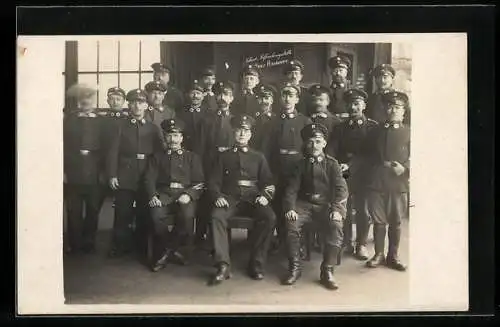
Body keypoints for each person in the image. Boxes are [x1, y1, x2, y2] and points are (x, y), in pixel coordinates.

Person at [207, 114, 276, 285]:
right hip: (230, 198)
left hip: (253, 198)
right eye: (238, 131)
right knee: (216, 216)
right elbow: (213, 182)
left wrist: (265, 196)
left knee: (270, 217)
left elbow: (268, 182)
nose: (242, 134)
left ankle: (256, 263)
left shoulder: (258, 157)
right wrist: (217, 196)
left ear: (250, 134)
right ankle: (223, 264)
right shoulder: (223, 156)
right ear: (233, 133)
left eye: (245, 131)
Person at [282, 123, 348, 290]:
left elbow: (341, 190)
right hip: (304, 204)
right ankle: (295, 268)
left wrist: (337, 210)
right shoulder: (300, 165)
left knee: (336, 225)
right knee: (291, 224)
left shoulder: (332, 165)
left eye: (318, 141)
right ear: (306, 144)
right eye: (310, 142)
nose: (314, 146)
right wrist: (290, 208)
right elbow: (291, 189)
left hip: (326, 205)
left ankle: (327, 270)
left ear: (324, 143)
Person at [106, 89, 164, 260]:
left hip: (146, 174)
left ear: (146, 105)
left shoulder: (153, 128)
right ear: (129, 105)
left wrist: (157, 177)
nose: (137, 106)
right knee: (122, 212)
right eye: (133, 102)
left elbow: (159, 153)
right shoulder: (120, 126)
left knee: (143, 211)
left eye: (140, 102)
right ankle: (119, 245)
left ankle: (140, 245)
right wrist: (112, 174)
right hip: (125, 174)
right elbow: (112, 152)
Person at [144, 118, 205, 271]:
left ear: (182, 138)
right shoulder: (157, 157)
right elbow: (149, 178)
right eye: (169, 135)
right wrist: (153, 196)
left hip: (184, 195)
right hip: (163, 195)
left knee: (187, 217)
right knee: (156, 216)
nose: (173, 139)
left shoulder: (192, 157)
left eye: (176, 135)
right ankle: (171, 251)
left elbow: (200, 182)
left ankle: (164, 253)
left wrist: (189, 194)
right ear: (165, 137)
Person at [327, 88, 378, 260]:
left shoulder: (371, 127)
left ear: (364, 105)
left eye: (357, 104)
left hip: (363, 173)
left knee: (363, 210)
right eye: (350, 104)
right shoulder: (341, 127)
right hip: (344, 173)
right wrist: (334, 164)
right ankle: (346, 241)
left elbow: (370, 154)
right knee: (345, 207)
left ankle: (361, 244)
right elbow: (332, 148)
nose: (353, 107)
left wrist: (349, 165)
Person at [262, 82, 312, 254]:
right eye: (284, 95)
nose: (287, 99)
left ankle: (299, 243)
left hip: (297, 169)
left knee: (296, 206)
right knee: (278, 204)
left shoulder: (305, 121)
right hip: (278, 169)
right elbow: (267, 149)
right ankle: (281, 239)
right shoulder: (273, 121)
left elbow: (309, 148)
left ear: (297, 99)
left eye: (291, 95)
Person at [364, 91, 410, 272]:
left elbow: (421, 156)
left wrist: (405, 168)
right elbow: (365, 155)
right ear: (385, 109)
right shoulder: (375, 131)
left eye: (397, 107)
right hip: (376, 181)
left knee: (396, 221)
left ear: (403, 112)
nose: (393, 110)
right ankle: (378, 254)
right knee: (379, 221)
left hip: (397, 182)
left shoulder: (409, 132)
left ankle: (393, 255)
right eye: (390, 107)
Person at [195, 80, 238, 243]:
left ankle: (221, 240)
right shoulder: (205, 121)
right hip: (209, 164)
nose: (222, 98)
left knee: (224, 200)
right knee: (205, 200)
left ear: (232, 98)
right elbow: (199, 148)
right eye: (219, 94)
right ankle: (200, 238)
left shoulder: (235, 121)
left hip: (228, 167)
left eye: (226, 94)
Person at [63, 84, 104, 254]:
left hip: (95, 172)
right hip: (73, 171)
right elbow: (62, 146)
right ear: (79, 101)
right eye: (83, 98)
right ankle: (74, 243)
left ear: (93, 100)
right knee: (73, 209)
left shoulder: (102, 121)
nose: (86, 101)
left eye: (89, 98)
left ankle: (89, 241)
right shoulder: (69, 119)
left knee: (93, 209)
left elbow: (108, 148)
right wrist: (63, 171)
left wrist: (103, 172)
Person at [96, 87, 130, 210]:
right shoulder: (101, 121)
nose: (115, 102)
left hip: (124, 166)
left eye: (118, 99)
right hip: (102, 165)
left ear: (124, 101)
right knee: (96, 203)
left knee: (123, 204)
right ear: (108, 101)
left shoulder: (128, 120)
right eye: (112, 99)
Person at [177, 79, 211, 157]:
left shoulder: (209, 113)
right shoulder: (180, 114)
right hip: (186, 152)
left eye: (198, 93)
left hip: (205, 153)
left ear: (203, 96)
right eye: (193, 93)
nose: (195, 96)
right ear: (188, 95)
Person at [249, 83, 277, 152]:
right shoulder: (250, 118)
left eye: (266, 98)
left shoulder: (276, 119)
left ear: (272, 101)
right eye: (260, 98)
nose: (263, 101)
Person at [327, 55, 352, 120]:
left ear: (346, 73)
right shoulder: (327, 90)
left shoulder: (352, 89)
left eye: (341, 70)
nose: (338, 73)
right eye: (335, 70)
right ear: (331, 72)